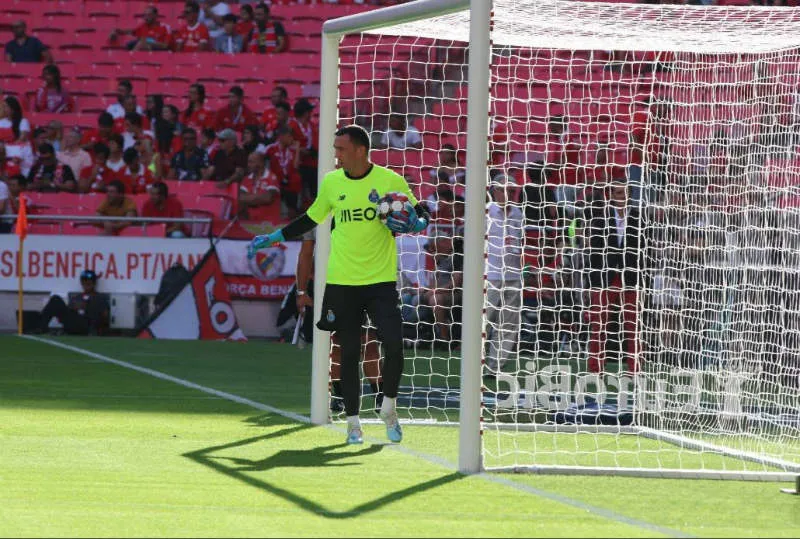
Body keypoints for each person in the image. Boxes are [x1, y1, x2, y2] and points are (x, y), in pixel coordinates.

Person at [248, 124, 430, 445]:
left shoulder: (390, 181)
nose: (336, 154)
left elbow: (419, 211)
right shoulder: (332, 183)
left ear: (360, 150)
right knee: (347, 353)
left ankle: (388, 408)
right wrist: (275, 237)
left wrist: (418, 222)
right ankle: (354, 423)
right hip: (342, 282)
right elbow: (310, 218)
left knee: (394, 345)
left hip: (381, 281)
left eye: (341, 148)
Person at [294, 229, 384, 414]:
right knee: (335, 343)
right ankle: (339, 396)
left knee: (368, 341)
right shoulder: (319, 215)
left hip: (365, 280)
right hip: (330, 287)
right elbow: (306, 253)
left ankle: (380, 396)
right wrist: (301, 291)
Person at [586, 179, 642, 373]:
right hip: (604, 278)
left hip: (630, 278)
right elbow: (593, 252)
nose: (623, 197)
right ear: (610, 196)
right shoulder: (600, 219)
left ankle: (635, 369)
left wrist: (642, 280)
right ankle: (595, 368)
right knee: (599, 325)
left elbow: (645, 251)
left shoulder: (638, 218)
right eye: (618, 193)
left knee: (632, 326)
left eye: (625, 193)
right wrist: (593, 281)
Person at [483, 180, 524, 376]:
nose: (509, 193)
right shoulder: (485, 211)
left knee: (508, 322)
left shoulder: (518, 213)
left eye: (512, 190)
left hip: (514, 272)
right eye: (505, 189)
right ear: (495, 191)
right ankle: (476, 362)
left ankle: (494, 366)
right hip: (490, 273)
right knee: (484, 320)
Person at [35, 270, 109, 335]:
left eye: (90, 280)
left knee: (90, 311)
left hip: (87, 324)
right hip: (73, 322)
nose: (87, 282)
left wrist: (88, 307)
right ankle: (41, 327)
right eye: (84, 280)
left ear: (94, 283)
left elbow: (105, 316)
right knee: (55, 299)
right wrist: (74, 308)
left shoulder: (99, 297)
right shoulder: (77, 297)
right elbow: (68, 313)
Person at [265, 126, 301, 219]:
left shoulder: (292, 150)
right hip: (275, 183)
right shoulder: (270, 149)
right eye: (289, 136)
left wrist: (297, 150)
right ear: (281, 137)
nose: (292, 139)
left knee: (295, 182)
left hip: (289, 184)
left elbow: (295, 166)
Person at [238, 151, 280, 223]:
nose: (248, 165)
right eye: (248, 162)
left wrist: (248, 199)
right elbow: (240, 198)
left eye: (251, 162)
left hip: (269, 224)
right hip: (251, 223)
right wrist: (258, 198)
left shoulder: (271, 177)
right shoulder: (246, 179)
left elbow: (267, 198)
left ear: (261, 163)